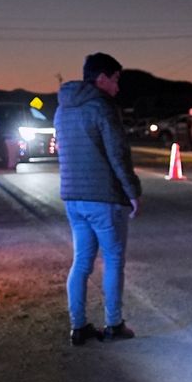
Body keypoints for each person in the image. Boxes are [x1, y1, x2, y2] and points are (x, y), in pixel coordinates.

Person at [55, 51, 142, 346]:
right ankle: (113, 324)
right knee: (114, 260)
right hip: (104, 197)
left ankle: (78, 327)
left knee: (81, 262)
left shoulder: (61, 109)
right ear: (101, 78)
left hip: (72, 197)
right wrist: (133, 192)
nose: (118, 86)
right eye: (116, 79)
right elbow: (117, 155)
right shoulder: (103, 107)